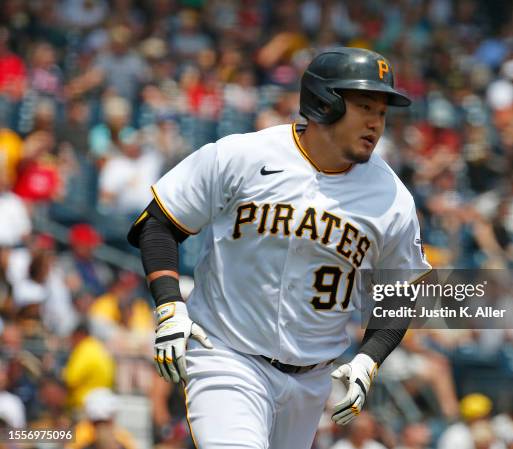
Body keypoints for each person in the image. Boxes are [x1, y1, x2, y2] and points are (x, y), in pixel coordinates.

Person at [128, 47, 431, 449]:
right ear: (325, 103)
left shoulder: (391, 198)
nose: (377, 123)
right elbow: (159, 223)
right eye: (364, 106)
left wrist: (368, 359)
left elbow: (401, 291)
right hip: (227, 355)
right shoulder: (245, 155)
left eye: (383, 112)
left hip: (312, 381)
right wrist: (169, 307)